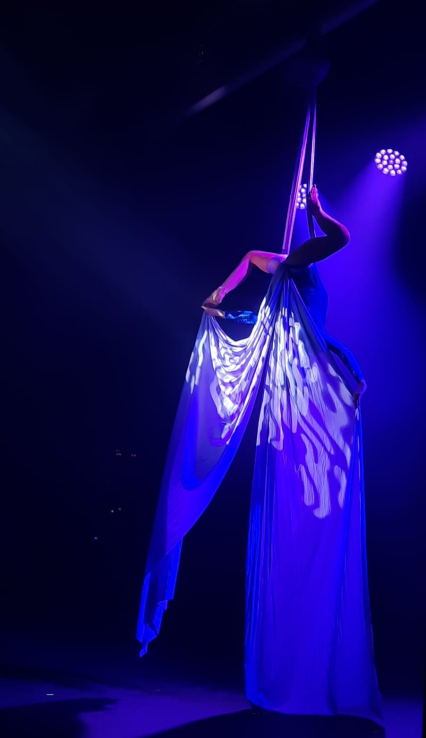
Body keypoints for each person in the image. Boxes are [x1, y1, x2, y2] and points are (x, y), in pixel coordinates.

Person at [201, 185, 367, 406]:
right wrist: (360, 382)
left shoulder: (285, 329)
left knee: (251, 256)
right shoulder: (314, 335)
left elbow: (256, 320)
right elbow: (342, 351)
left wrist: (222, 314)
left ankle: (220, 293)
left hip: (287, 271)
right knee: (341, 238)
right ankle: (317, 211)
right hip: (299, 270)